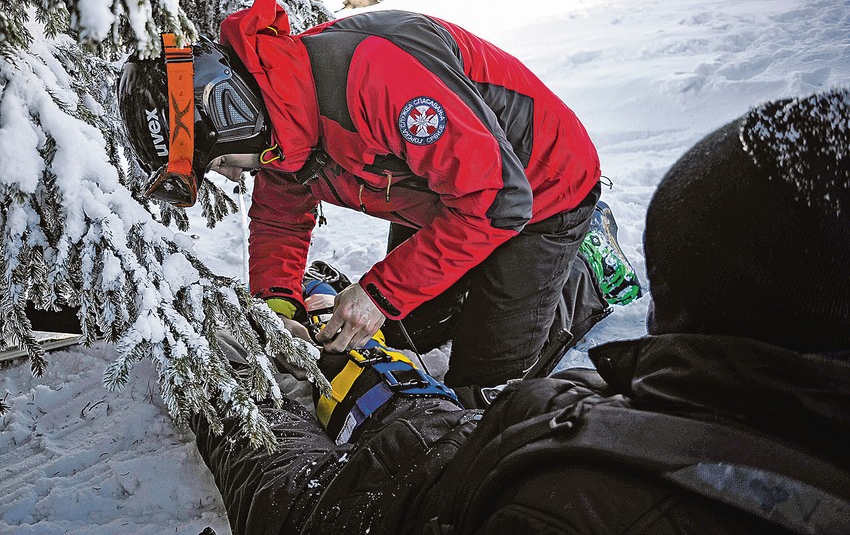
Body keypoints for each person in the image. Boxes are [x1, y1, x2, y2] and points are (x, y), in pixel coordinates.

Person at [192, 88, 850, 535]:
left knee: (468, 364)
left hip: (524, 229)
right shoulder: (745, 410)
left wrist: (229, 396)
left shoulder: (572, 498)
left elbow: (298, 510)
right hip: (463, 409)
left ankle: (577, 272)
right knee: (411, 352)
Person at [118, 0, 643, 402]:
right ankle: (492, 289)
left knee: (481, 389)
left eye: (226, 162)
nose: (234, 176)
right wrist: (280, 314)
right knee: (396, 337)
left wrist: (378, 294)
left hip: (542, 189)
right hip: (440, 197)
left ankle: (585, 273)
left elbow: (499, 201)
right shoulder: (282, 119)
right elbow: (280, 217)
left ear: (234, 119)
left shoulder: (375, 77)